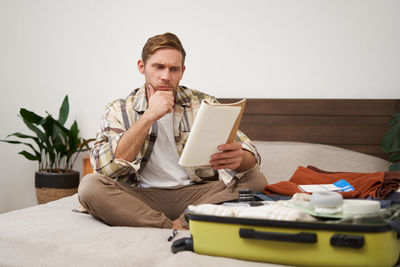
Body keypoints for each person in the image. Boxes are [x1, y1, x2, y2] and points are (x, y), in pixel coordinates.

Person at [78, 32, 268, 229]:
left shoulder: (204, 103)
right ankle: (173, 226)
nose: (166, 77)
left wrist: (242, 159)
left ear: (182, 71)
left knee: (255, 180)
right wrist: (149, 116)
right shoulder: (119, 109)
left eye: (173, 69)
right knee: (90, 186)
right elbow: (104, 168)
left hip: (197, 194)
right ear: (141, 67)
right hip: (142, 196)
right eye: (159, 67)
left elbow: (251, 156)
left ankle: (185, 218)